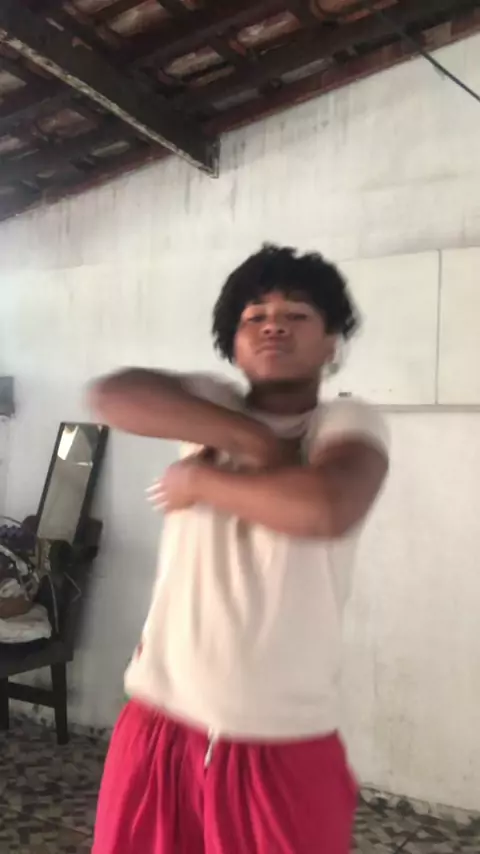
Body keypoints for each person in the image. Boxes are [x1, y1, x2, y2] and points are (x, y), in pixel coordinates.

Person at [89, 244, 389, 854]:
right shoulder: (214, 403)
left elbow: (325, 507)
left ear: (332, 344)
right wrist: (254, 440)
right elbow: (113, 396)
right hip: (158, 724)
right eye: (255, 316)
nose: (273, 324)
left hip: (279, 744)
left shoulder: (343, 424)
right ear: (232, 341)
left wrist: (201, 481)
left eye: (297, 314)